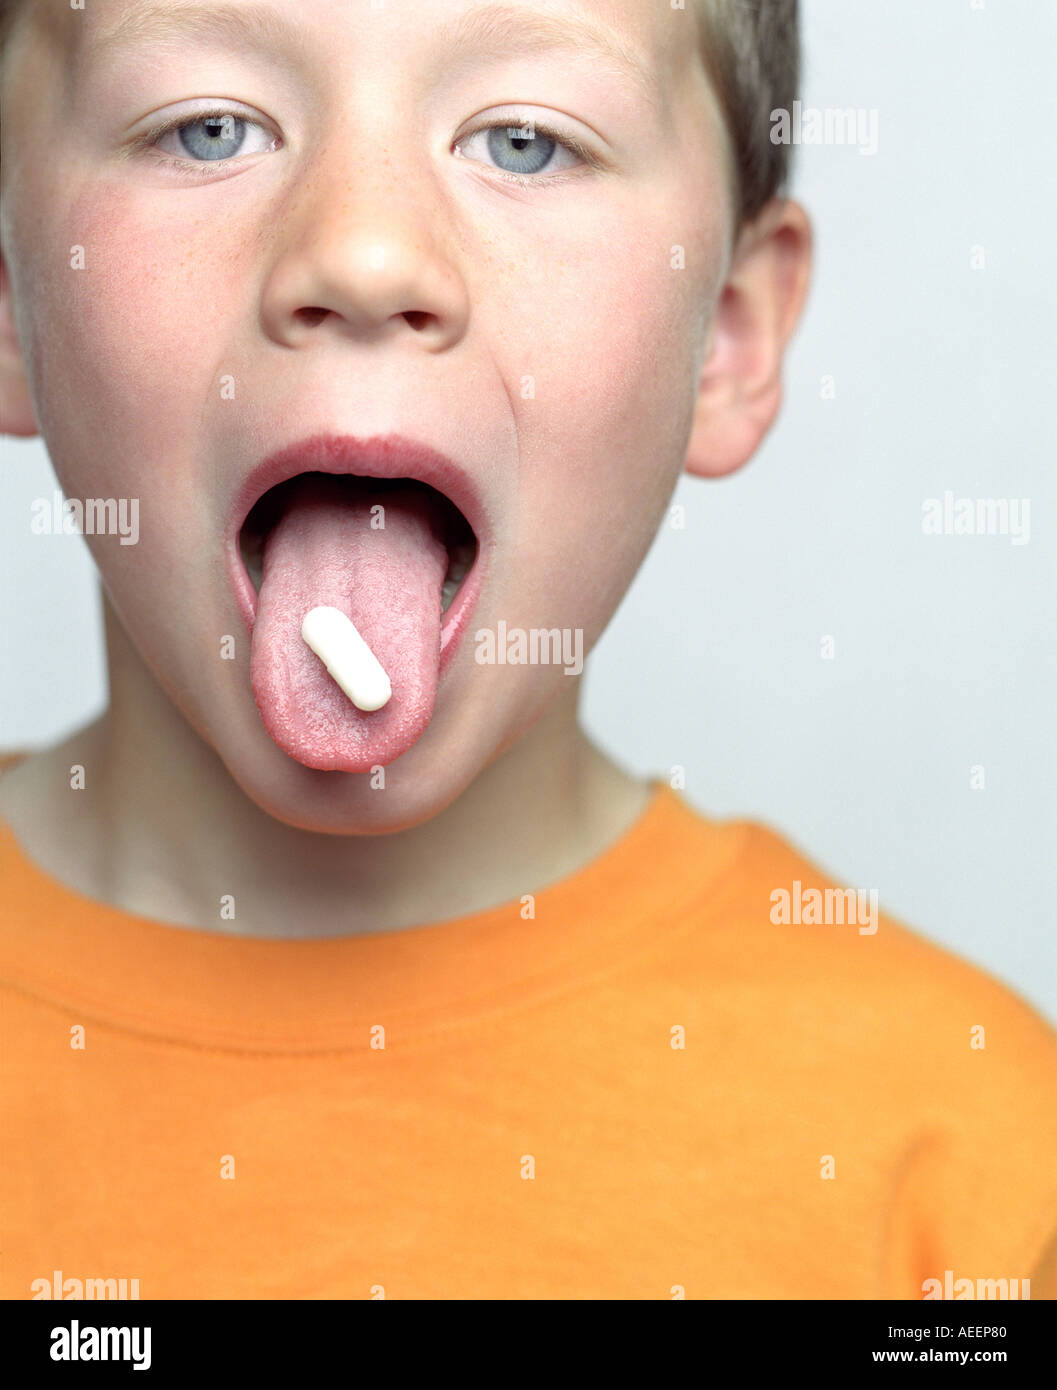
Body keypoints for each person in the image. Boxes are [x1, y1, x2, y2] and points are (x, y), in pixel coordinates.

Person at [1, 0, 1054, 1300]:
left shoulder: (972, 1172)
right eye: (208, 128)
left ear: (722, 331)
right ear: (12, 296)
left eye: (523, 142)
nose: (367, 252)